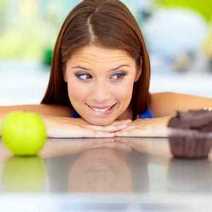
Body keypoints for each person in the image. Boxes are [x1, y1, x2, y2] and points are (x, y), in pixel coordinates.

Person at [0, 0, 212, 138]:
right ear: (63, 70)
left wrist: (163, 126)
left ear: (138, 69)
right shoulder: (62, 115)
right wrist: (51, 125)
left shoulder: (155, 108)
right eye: (84, 76)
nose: (100, 96)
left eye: (118, 75)